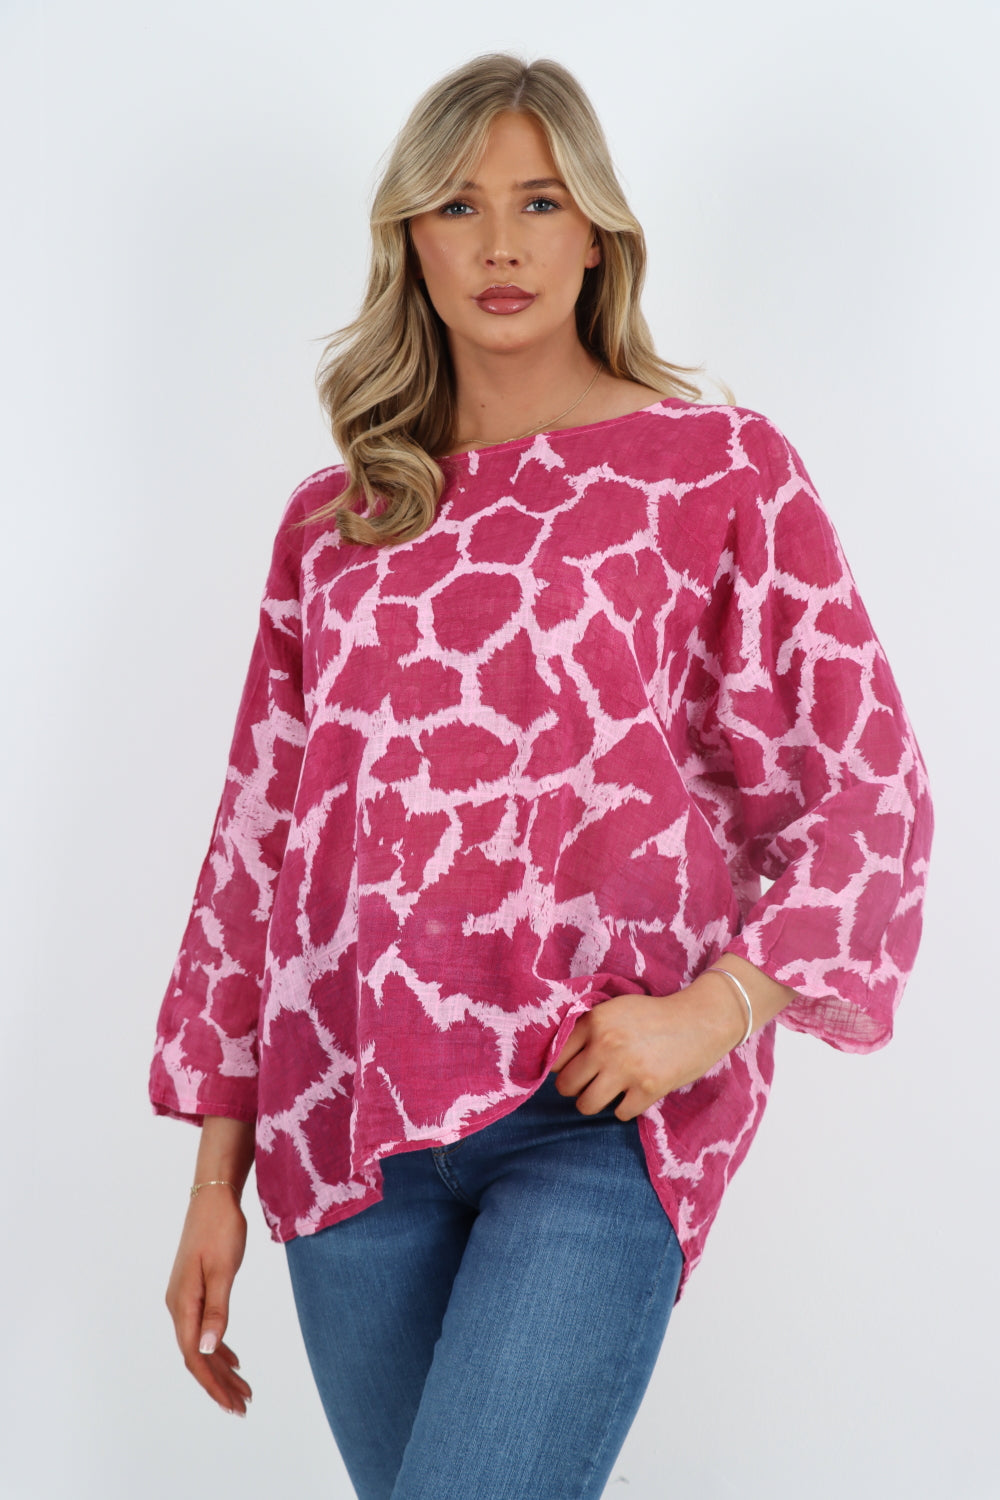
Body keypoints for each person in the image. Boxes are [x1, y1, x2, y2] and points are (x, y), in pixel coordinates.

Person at [151, 53, 933, 1500]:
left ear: (597, 234)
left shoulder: (716, 470)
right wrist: (215, 1177)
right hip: (348, 1129)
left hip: (594, 1119)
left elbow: (868, 786)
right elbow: (260, 840)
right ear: (410, 239)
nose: (500, 244)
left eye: (540, 201)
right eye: (458, 206)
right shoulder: (338, 518)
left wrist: (714, 1012)